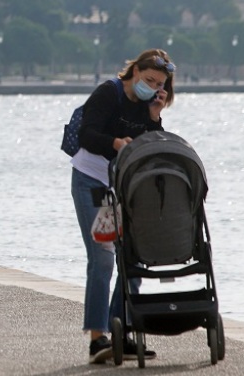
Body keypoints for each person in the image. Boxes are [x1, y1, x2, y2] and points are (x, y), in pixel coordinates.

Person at [71, 48, 174, 364]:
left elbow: (154, 147)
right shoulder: (108, 92)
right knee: (102, 259)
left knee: (132, 259)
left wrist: (155, 117)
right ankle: (97, 339)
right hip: (92, 181)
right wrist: (115, 143)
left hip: (126, 187)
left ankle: (122, 332)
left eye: (159, 84)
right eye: (148, 80)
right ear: (134, 72)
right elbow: (86, 134)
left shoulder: (148, 106)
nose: (153, 87)